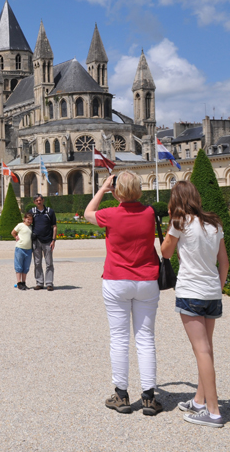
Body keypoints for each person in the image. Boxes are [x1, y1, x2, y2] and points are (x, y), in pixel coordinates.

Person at [85, 171, 162, 416]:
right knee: (145, 339)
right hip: (146, 279)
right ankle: (148, 397)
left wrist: (102, 189)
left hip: (117, 279)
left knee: (119, 338)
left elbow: (88, 213)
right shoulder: (149, 213)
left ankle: (121, 395)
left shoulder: (110, 214)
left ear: (117, 191)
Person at [162, 181, 229, 428]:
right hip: (211, 293)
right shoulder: (214, 223)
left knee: (201, 350)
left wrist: (170, 222)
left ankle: (213, 412)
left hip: (191, 292)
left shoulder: (179, 223)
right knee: (206, 349)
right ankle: (200, 400)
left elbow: (165, 252)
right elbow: (224, 263)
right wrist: (217, 288)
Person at [30, 193, 57, 291]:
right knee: (37, 263)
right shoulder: (32, 212)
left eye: (40, 200)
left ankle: (49, 283)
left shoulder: (49, 212)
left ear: (43, 200)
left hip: (48, 241)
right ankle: (39, 282)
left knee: (49, 263)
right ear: (34, 202)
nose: (39, 202)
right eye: (37, 200)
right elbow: (27, 224)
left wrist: (53, 240)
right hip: (36, 241)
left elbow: (54, 226)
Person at [11, 212, 34, 290]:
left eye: (31, 219)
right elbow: (13, 232)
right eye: (28, 219)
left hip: (29, 249)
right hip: (20, 248)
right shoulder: (20, 225)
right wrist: (16, 237)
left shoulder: (31, 227)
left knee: (26, 267)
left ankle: (24, 282)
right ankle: (19, 282)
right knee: (19, 266)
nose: (29, 221)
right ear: (24, 219)